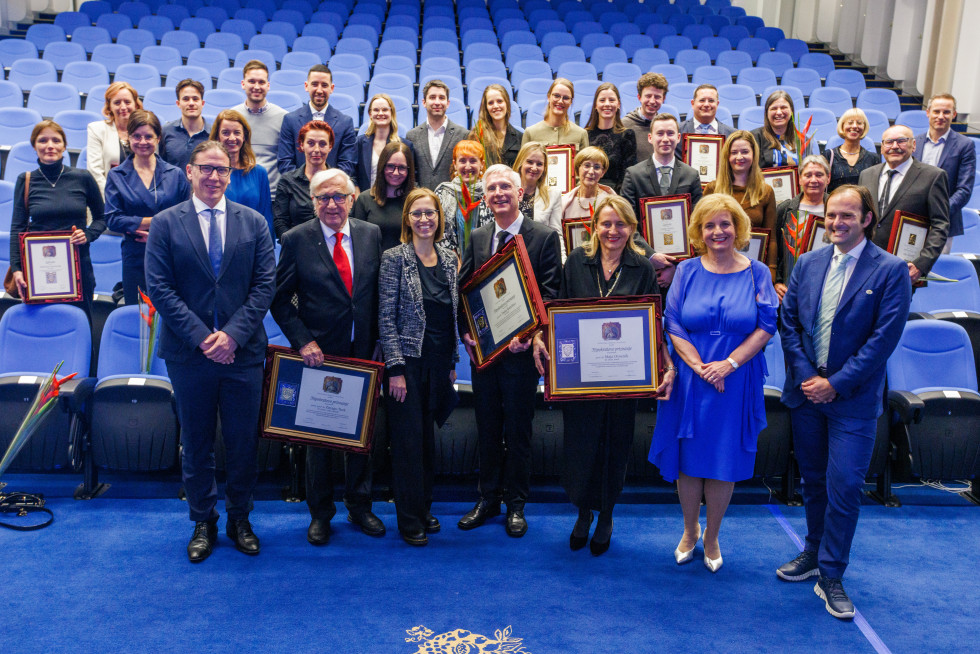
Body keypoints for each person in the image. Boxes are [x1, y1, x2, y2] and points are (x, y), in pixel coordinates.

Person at [777, 185, 911, 619]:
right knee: (813, 481)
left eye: (847, 216)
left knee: (846, 486)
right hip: (807, 394)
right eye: (832, 215)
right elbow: (790, 324)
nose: (836, 223)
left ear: (867, 219)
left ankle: (832, 573)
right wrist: (807, 377)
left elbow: (882, 341)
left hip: (852, 400)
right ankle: (813, 552)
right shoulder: (808, 263)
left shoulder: (890, 271)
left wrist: (834, 383)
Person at [144, 140, 276, 563]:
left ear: (231, 175)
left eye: (223, 170)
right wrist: (204, 337)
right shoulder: (165, 223)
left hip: (243, 354)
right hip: (189, 353)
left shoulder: (254, 222)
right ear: (189, 171)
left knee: (241, 443)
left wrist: (232, 336)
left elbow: (264, 287)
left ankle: (240, 518)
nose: (215, 176)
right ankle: (203, 521)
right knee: (197, 442)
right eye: (207, 169)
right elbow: (159, 288)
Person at [531, 196, 674, 555]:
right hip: (580, 378)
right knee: (580, 446)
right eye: (606, 224)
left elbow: (652, 323)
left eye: (620, 224)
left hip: (625, 379)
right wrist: (540, 338)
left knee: (615, 445)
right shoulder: (577, 262)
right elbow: (559, 312)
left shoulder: (642, 268)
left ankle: (606, 514)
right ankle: (582, 512)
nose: (613, 231)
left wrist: (663, 363)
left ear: (632, 229)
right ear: (594, 226)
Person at [649, 193, 777, 573]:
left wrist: (728, 364)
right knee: (689, 460)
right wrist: (702, 366)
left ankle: (713, 535)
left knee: (722, 459)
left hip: (736, 377)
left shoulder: (758, 272)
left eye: (725, 224)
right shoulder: (686, 270)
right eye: (709, 225)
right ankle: (690, 530)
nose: (718, 231)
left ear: (738, 229)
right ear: (698, 232)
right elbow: (672, 322)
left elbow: (766, 325)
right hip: (692, 377)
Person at [271, 168, 385, 545]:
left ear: (353, 199)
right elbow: (279, 300)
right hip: (318, 355)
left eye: (339, 196)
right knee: (318, 440)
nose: (332, 204)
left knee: (362, 435)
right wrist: (303, 341)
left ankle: (360, 505)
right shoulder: (296, 239)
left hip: (363, 353)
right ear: (312, 202)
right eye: (323, 198)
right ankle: (320, 513)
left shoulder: (371, 235)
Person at [457, 164, 562, 538]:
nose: (499, 193)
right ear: (485, 197)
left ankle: (516, 504)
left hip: (520, 355)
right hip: (484, 356)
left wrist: (532, 333)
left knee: (518, 430)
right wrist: (466, 332)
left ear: (520, 193)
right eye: (492, 188)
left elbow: (550, 294)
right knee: (487, 428)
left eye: (506, 187)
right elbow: (465, 289)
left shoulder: (544, 237)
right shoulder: (478, 236)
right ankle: (487, 500)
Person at [378, 188, 460, 546]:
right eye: (417, 213)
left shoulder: (448, 257)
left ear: (439, 219)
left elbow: (450, 316)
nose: (424, 219)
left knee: (427, 441)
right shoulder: (394, 258)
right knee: (408, 443)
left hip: (439, 364)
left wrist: (453, 363)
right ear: (407, 219)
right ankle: (409, 518)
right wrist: (394, 368)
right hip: (407, 365)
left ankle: (424, 507)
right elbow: (386, 317)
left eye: (430, 213)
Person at [9, 120, 105, 318]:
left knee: (80, 323)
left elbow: (102, 218)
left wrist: (88, 234)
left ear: (64, 145)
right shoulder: (25, 180)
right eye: (43, 140)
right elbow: (17, 228)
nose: (50, 146)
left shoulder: (83, 177)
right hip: (37, 269)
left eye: (56, 140)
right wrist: (17, 269)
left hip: (79, 267)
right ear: (35, 146)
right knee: (42, 326)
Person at [104, 110, 190, 305]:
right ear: (128, 137)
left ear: (158, 138)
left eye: (149, 136)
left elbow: (186, 216)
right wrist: (153, 222)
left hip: (170, 253)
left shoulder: (175, 174)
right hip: (135, 256)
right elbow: (112, 219)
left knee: (171, 314)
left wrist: (155, 230)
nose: (143, 141)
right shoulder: (117, 175)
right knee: (138, 317)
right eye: (137, 136)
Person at [621, 113, 704, 287]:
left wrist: (674, 266)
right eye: (660, 133)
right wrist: (651, 256)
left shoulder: (691, 175)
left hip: (681, 270)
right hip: (642, 266)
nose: (665, 139)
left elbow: (697, 225)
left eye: (670, 133)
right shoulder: (633, 174)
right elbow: (627, 223)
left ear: (678, 137)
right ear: (650, 138)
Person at [859, 124, 950, 282]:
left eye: (901, 141)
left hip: (905, 268)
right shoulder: (866, 175)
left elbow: (940, 225)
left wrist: (921, 265)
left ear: (913, 145)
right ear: (881, 148)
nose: (894, 146)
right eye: (889, 142)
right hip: (865, 264)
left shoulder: (933, 176)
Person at [704, 130, 778, 278]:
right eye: (734, 152)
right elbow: (702, 233)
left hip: (752, 270)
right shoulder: (712, 189)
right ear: (727, 156)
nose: (739, 157)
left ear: (754, 155)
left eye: (745, 152)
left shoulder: (766, 192)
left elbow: (772, 239)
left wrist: (771, 271)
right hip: (717, 269)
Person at [914, 93, 976, 252]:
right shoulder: (915, 142)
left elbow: (964, 190)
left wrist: (938, 211)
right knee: (908, 271)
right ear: (928, 113)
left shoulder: (965, 145)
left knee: (936, 272)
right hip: (911, 219)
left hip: (943, 223)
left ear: (954, 114)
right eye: (936, 111)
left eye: (946, 112)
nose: (941, 116)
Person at [277, 65, 357, 176]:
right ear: (306, 86)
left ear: (331, 88)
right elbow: (285, 162)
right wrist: (302, 184)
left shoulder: (345, 122)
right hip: (296, 190)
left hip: (331, 190)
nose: (319, 90)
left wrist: (326, 186)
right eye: (314, 84)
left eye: (324, 85)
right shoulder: (290, 120)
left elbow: (347, 164)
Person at [209, 109, 274, 240]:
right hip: (218, 242)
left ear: (244, 137)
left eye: (237, 133)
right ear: (217, 137)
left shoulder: (259, 173)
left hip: (252, 242)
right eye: (225, 133)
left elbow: (266, 216)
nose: (232, 138)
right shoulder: (209, 174)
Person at [775, 155, 831, 301]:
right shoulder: (785, 209)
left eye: (819, 175)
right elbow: (776, 252)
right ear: (799, 179)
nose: (813, 180)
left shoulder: (837, 208)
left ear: (828, 179)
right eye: (808, 175)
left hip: (828, 286)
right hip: (790, 288)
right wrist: (776, 281)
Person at [233, 60, 288, 201]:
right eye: (251, 81)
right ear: (243, 84)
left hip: (272, 197)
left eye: (261, 82)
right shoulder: (232, 117)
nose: (256, 87)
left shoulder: (284, 118)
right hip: (239, 194)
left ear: (268, 86)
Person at [273, 120, 333, 241]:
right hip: (296, 248)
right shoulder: (287, 181)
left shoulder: (339, 181)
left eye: (322, 144)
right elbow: (280, 222)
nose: (316, 149)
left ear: (330, 146)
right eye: (310, 143)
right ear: (301, 145)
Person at [352, 141, 417, 252]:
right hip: (373, 265)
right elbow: (357, 241)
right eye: (391, 166)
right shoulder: (364, 199)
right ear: (382, 166)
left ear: (409, 170)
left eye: (401, 168)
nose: (395, 173)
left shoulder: (416, 200)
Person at [434, 140, 494, 254]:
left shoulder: (491, 192)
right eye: (462, 161)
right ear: (455, 164)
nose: (467, 166)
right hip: (451, 260)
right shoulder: (443, 192)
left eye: (473, 160)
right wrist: (455, 261)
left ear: (481, 164)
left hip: (487, 260)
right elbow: (439, 233)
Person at [406, 80, 468, 190]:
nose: (437, 102)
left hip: (453, 201)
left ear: (448, 103)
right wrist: (420, 196)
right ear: (424, 102)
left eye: (442, 98)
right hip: (421, 201)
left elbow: (465, 173)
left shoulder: (463, 135)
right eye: (432, 97)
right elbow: (410, 173)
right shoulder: (412, 136)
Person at [87, 81, 143, 194]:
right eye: (117, 103)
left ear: (135, 105)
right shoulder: (96, 129)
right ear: (109, 107)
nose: (123, 107)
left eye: (127, 102)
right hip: (107, 199)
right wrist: (111, 199)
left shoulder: (145, 131)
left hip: (140, 198)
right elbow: (95, 173)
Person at [354, 93, 415, 193]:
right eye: (376, 110)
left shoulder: (405, 146)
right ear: (370, 114)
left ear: (392, 113)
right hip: (365, 202)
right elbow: (353, 175)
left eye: (385, 109)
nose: (380, 113)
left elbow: (410, 179)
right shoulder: (359, 143)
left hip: (395, 203)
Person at [584, 82, 637, 192]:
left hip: (616, 197)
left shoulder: (627, 135)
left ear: (618, 104)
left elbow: (628, 175)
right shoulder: (585, 134)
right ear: (595, 105)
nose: (607, 104)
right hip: (589, 193)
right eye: (602, 100)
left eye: (612, 100)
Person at [522, 78, 589, 151]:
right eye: (556, 96)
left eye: (566, 98)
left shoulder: (581, 134)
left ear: (571, 101)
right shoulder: (531, 133)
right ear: (548, 97)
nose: (560, 101)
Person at [821, 108, 878, 192]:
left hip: (862, 204)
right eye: (850, 122)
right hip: (833, 204)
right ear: (842, 126)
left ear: (864, 127)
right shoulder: (828, 156)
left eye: (859, 123)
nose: (854, 126)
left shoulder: (873, 159)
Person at [159, 78, 209, 173]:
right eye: (186, 99)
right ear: (178, 103)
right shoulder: (165, 131)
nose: (191, 103)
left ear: (202, 103)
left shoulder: (214, 133)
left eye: (195, 99)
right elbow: (160, 166)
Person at [469, 83, 523, 167]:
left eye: (500, 101)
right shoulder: (477, 135)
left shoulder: (520, 137)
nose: (496, 106)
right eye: (490, 103)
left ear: (507, 103)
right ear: (486, 107)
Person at [514, 141, 562, 234]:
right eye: (530, 162)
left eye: (539, 164)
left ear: (544, 168)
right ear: (520, 163)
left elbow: (556, 234)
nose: (534, 168)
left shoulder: (554, 195)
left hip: (539, 248)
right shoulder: (506, 191)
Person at [560, 146, 615, 224]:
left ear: (603, 172)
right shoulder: (565, 202)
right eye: (587, 165)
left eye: (597, 167)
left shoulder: (611, 201)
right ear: (578, 168)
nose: (591, 171)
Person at [752, 91, 805, 168]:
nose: (779, 112)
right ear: (767, 113)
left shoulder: (801, 139)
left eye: (783, 107)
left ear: (792, 111)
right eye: (774, 108)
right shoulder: (754, 137)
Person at [623, 72, 669, 162]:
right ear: (639, 97)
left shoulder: (665, 126)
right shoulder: (624, 125)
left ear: (663, 99)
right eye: (648, 96)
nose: (652, 101)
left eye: (657, 97)